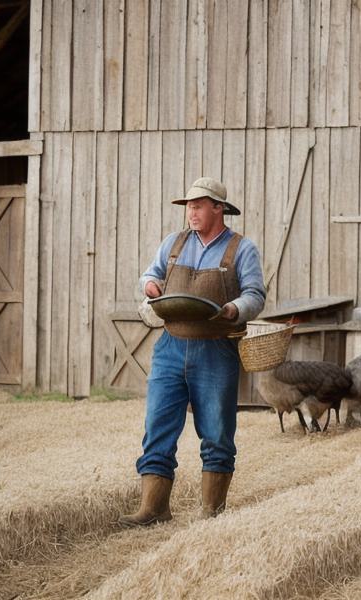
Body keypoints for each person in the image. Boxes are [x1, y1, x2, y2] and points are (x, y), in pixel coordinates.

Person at [119, 177, 266, 526]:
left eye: (199, 205)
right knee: (157, 426)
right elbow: (148, 276)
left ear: (219, 208)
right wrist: (150, 285)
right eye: (189, 205)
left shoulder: (241, 249)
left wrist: (233, 310)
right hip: (170, 345)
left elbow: (256, 296)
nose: (191, 212)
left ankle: (211, 512)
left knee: (216, 433)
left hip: (216, 349)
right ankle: (154, 509)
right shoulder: (173, 244)